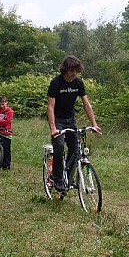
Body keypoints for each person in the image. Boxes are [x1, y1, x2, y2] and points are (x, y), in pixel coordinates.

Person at [47, 55, 101, 193]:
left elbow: (86, 104)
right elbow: (50, 107)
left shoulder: (78, 83)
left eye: (77, 71)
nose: (74, 73)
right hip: (58, 120)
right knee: (59, 147)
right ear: (65, 69)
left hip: (70, 120)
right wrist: (53, 128)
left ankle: (69, 177)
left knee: (75, 150)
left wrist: (94, 124)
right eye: (72, 70)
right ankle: (57, 178)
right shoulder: (56, 83)